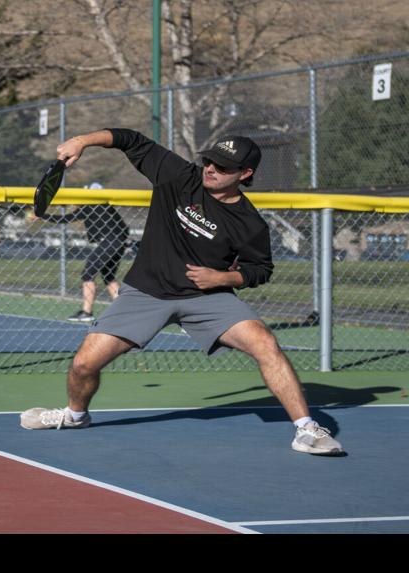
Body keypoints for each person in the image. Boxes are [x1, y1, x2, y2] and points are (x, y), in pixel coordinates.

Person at [19, 129, 343, 456]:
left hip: (207, 299)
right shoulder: (178, 176)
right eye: (210, 161)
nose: (211, 169)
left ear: (245, 174)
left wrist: (223, 278)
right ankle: (75, 416)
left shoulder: (250, 223)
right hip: (146, 291)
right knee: (83, 365)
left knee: (266, 344)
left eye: (223, 166)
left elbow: (260, 269)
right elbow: (132, 140)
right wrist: (82, 142)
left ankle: (307, 430)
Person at [30, 181, 128, 321]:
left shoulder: (90, 206)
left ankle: (86, 312)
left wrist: (42, 215)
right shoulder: (109, 208)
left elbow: (66, 218)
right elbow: (125, 229)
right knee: (108, 276)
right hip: (119, 243)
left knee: (88, 274)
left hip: (108, 242)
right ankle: (123, 311)